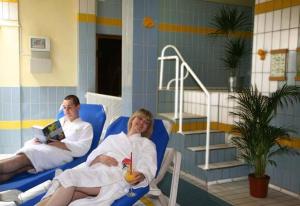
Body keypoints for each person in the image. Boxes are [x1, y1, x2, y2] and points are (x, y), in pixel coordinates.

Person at [38, 108, 157, 206]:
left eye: (146, 122)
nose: (142, 123)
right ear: (133, 119)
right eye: (140, 118)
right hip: (96, 172)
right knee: (70, 194)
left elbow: (147, 167)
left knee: (69, 177)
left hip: (115, 177)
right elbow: (92, 157)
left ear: (147, 128)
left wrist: (140, 176)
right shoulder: (113, 138)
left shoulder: (147, 144)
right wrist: (101, 158)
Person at [0, 95, 93, 183]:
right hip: (47, 149)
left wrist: (61, 144)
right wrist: (39, 139)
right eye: (64, 108)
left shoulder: (85, 126)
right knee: (19, 168)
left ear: (78, 107)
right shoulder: (61, 121)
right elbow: (47, 135)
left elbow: (83, 148)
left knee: (22, 158)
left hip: (63, 154)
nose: (66, 111)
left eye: (69, 107)